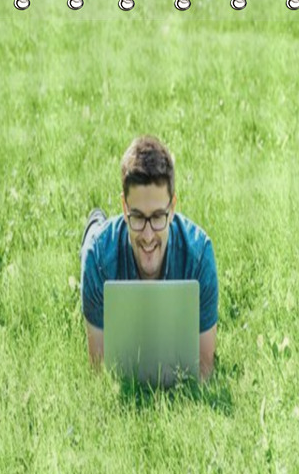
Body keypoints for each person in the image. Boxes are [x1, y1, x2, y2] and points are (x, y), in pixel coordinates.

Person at [80, 135, 218, 382]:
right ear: (124, 208)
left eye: (157, 217)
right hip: (102, 242)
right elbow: (100, 374)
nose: (147, 234)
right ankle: (95, 220)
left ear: (172, 207)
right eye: (137, 216)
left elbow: (204, 372)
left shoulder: (199, 256)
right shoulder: (98, 257)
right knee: (94, 234)